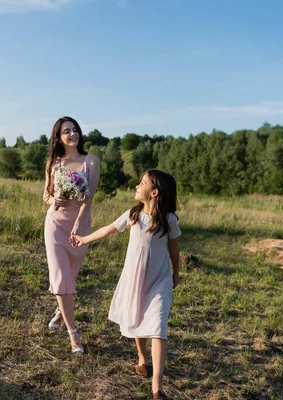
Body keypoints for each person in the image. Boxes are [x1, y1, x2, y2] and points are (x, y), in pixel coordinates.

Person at [72, 170, 180, 399]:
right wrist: (84, 239)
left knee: (159, 327)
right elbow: (108, 230)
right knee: (138, 317)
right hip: (136, 278)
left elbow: (174, 250)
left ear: (154, 192)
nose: (136, 185)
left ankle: (157, 387)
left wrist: (176, 274)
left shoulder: (169, 220)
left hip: (159, 280)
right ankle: (142, 358)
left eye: (141, 183)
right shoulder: (133, 214)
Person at [43, 116, 100, 354]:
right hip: (55, 224)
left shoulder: (92, 161)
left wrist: (78, 223)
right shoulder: (53, 163)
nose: (72, 134)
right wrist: (53, 199)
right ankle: (73, 334)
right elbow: (45, 196)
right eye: (67, 131)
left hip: (80, 227)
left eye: (75, 130)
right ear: (59, 136)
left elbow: (89, 197)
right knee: (60, 279)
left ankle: (60, 312)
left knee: (70, 276)